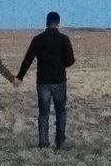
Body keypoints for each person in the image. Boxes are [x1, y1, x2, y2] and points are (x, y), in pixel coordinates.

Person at [16, 11, 76, 149]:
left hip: (43, 81)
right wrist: (61, 64)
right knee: (60, 112)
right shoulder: (64, 39)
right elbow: (70, 60)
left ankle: (44, 143)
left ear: (46, 23)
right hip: (59, 80)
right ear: (58, 23)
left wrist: (20, 77)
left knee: (43, 114)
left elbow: (28, 60)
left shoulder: (38, 39)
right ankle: (60, 142)